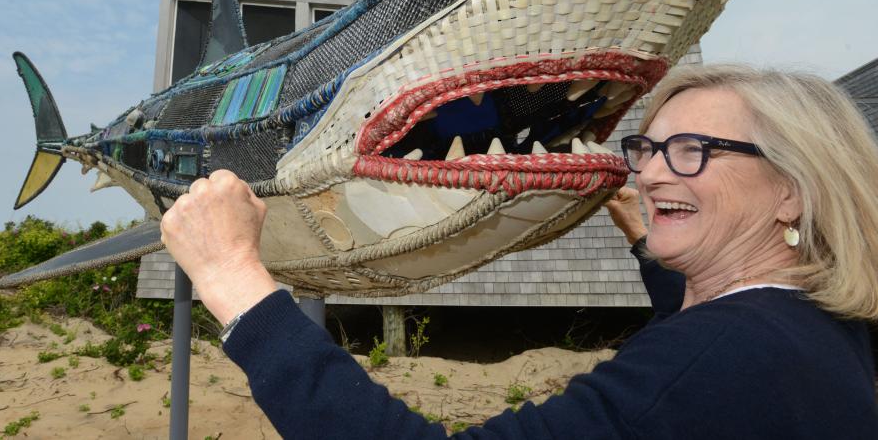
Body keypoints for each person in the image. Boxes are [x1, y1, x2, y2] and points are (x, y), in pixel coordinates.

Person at [160, 64, 878, 438]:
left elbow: (684, 371)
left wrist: (233, 278)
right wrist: (646, 241)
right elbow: (688, 349)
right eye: (648, 147)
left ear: (792, 188)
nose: (651, 170)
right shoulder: (817, 331)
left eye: (692, 151)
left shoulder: (721, 358)